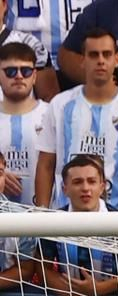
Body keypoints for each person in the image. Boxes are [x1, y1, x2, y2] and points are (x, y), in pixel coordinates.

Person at [35, 25, 118, 211]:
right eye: (93, 55)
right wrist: (41, 215)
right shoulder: (60, 105)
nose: (100, 61)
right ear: (83, 60)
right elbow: (46, 164)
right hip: (65, 219)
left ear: (117, 59)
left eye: (106, 54)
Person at [40, 155, 118, 296]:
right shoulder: (53, 222)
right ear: (64, 188)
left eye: (92, 181)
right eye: (77, 182)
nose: (85, 188)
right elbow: (41, 268)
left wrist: (101, 288)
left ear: (102, 187)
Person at [0, 41, 49, 206]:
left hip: (44, 219)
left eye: (26, 71)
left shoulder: (52, 114)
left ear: (35, 76)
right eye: (10, 71)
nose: (19, 76)